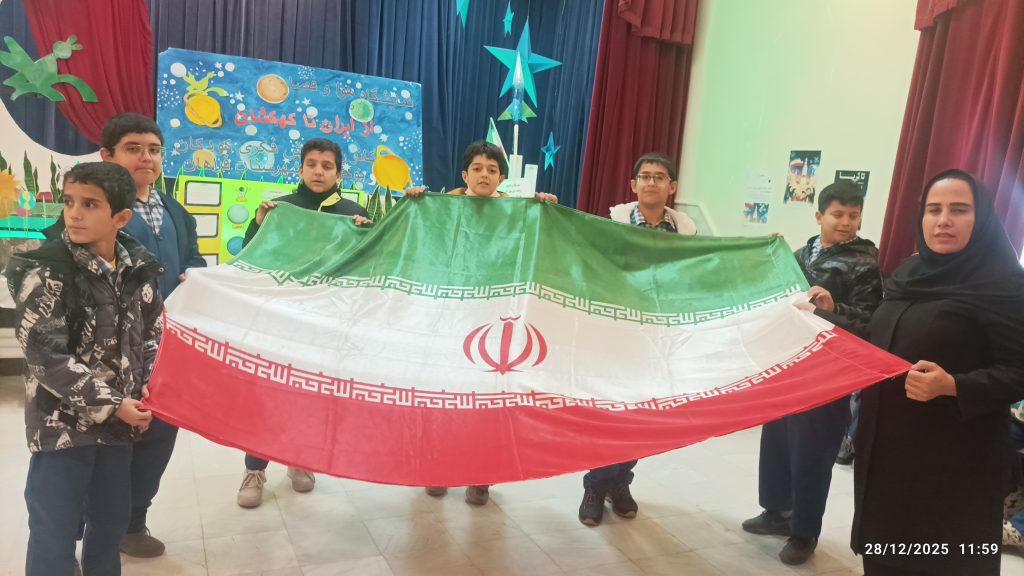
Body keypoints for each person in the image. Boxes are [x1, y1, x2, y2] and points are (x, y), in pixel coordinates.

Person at [837, 169, 1024, 575]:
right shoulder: (910, 273)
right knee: (887, 554)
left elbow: (1018, 370)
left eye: (959, 209)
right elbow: (880, 333)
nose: (943, 220)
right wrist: (827, 313)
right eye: (934, 209)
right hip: (887, 451)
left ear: (982, 217)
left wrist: (954, 385)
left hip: (955, 460)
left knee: (942, 560)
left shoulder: (1004, 284)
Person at [7, 162, 163, 576]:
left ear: (120, 218)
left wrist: (148, 387)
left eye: (90, 204)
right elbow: (46, 358)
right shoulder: (48, 272)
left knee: (110, 524)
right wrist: (113, 404)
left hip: (117, 430)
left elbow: (153, 334)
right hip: (60, 429)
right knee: (54, 529)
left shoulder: (139, 271)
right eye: (69, 202)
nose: (74, 214)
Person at [404, 139, 556, 506]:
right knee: (443, 395)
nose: (484, 175)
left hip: (495, 322)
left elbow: (540, 245)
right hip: (449, 316)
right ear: (464, 175)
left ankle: (480, 475)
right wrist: (414, 203)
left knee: (487, 401)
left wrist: (546, 210)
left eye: (492, 170)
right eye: (477, 169)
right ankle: (437, 468)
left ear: (502, 178)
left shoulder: (518, 212)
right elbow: (419, 243)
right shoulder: (443, 207)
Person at [742, 181, 882, 565]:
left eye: (853, 216)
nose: (846, 222)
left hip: (827, 372)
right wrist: (770, 257)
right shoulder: (801, 254)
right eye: (838, 214)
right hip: (788, 362)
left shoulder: (865, 264)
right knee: (777, 439)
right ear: (819, 215)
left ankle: (804, 532)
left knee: (812, 452)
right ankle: (776, 510)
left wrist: (832, 309)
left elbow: (871, 323)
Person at [237, 137, 371, 508]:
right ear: (300, 169)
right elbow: (251, 256)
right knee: (268, 395)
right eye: (311, 164)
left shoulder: (352, 212)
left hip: (325, 324)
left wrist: (365, 235)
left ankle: (299, 459)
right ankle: (254, 469)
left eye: (327, 166)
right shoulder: (280, 208)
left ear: (339, 174)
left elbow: (364, 269)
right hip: (280, 319)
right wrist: (258, 224)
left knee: (309, 395)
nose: (318, 171)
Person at [98, 112, 206, 557]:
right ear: (107, 155)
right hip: (109, 350)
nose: (146, 157)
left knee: (158, 434)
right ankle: (91, 531)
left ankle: (133, 522)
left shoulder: (175, 211)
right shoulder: (94, 209)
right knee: (108, 443)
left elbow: (193, 257)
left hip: (166, 349)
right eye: (134, 148)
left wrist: (193, 273)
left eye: (154, 150)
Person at [577, 152, 697, 527]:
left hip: (658, 338)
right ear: (633, 185)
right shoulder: (610, 225)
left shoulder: (686, 233)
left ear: (672, 186)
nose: (651, 182)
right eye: (644, 176)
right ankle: (595, 486)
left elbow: (697, 274)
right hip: (617, 333)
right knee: (612, 413)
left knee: (641, 414)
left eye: (659, 177)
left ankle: (621, 482)